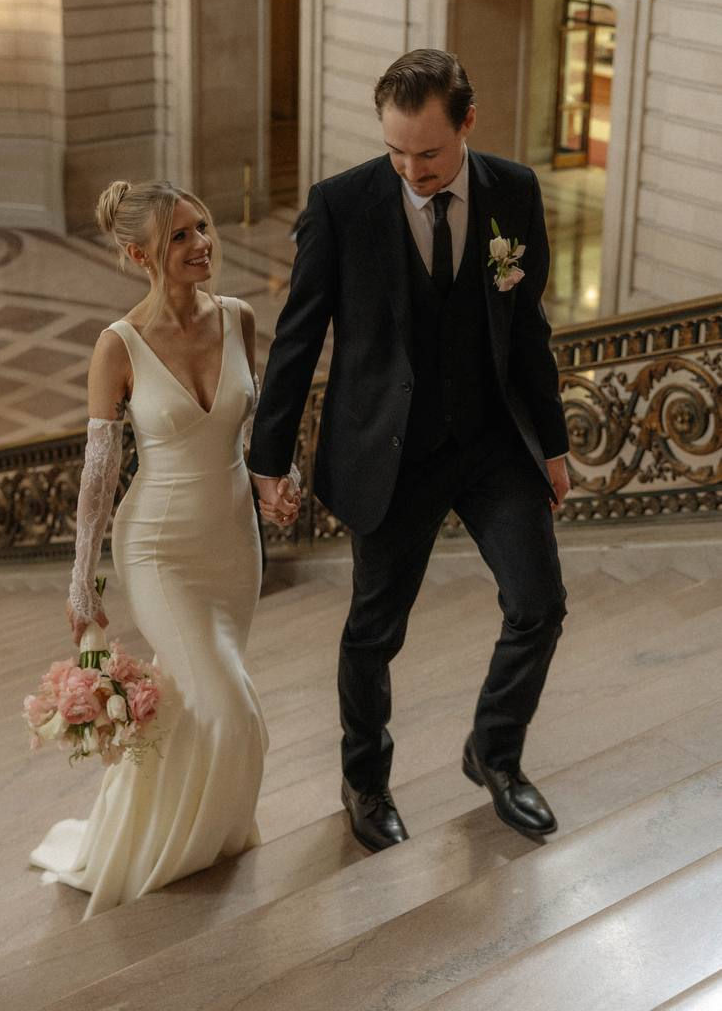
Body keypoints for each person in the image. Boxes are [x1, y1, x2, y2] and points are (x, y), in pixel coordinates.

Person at [249, 49, 570, 853]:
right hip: (389, 452)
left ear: (466, 122)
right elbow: (296, 341)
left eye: (426, 153)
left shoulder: (515, 191)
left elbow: (526, 326)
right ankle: (365, 779)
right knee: (372, 633)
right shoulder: (342, 206)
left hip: (493, 441)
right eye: (396, 152)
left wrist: (554, 444)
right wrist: (268, 459)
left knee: (539, 606)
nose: (411, 169)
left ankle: (493, 753)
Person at [30, 180, 294, 917]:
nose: (203, 243)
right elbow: (99, 474)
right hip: (157, 549)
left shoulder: (239, 319)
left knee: (189, 700)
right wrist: (83, 586)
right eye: (181, 236)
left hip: (233, 544)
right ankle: (164, 846)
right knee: (230, 703)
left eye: (203, 226)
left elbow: (256, 426)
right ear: (137, 253)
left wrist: (280, 481)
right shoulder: (117, 346)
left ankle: (189, 837)